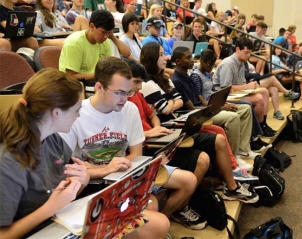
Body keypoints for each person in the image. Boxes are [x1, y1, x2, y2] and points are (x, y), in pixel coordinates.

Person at [59, 56, 207, 231]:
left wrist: (142, 165)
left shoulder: (130, 109)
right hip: (95, 181)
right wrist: (105, 169)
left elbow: (136, 153)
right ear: (99, 87)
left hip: (125, 171)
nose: (125, 98)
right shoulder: (77, 114)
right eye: (119, 92)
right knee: (149, 206)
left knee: (188, 180)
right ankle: (155, 227)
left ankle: (161, 223)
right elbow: (67, 170)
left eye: (129, 92)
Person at [139, 42, 259, 201]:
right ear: (151, 57)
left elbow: (178, 101)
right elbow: (168, 108)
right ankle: (232, 183)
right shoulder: (147, 84)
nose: (165, 58)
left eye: (163, 53)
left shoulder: (165, 78)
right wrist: (170, 104)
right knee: (218, 136)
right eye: (160, 55)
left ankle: (232, 172)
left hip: (179, 120)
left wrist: (169, 104)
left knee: (218, 131)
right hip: (171, 127)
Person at [0, 68, 89, 238]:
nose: (78, 115)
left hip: (57, 227)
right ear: (56, 113)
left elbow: (64, 194)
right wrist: (49, 209)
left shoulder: (52, 138)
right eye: (77, 110)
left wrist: (82, 181)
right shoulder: (8, 162)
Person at [213, 37, 277, 138]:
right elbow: (226, 88)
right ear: (238, 49)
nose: (248, 55)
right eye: (246, 52)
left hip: (236, 93)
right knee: (259, 98)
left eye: (249, 53)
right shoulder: (228, 64)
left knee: (264, 91)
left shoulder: (241, 62)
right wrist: (247, 86)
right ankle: (256, 132)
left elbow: (241, 83)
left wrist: (250, 86)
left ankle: (263, 125)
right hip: (224, 96)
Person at [59, 10, 131, 92]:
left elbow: (107, 68)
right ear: (92, 27)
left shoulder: (105, 41)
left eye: (109, 33)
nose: (106, 37)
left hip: (97, 82)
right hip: (76, 86)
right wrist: (100, 75)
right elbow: (70, 77)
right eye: (103, 32)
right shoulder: (74, 43)